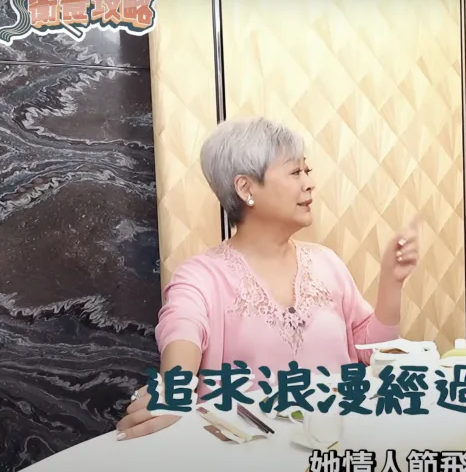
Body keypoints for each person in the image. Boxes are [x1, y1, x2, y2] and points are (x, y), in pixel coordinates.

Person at [116, 117, 421, 440]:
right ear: (246, 188)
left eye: (307, 170)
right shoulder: (201, 276)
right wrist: (174, 390)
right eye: (295, 172)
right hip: (249, 460)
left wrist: (392, 283)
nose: (309, 183)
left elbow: (374, 353)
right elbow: (181, 334)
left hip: (336, 452)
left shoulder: (326, 262)